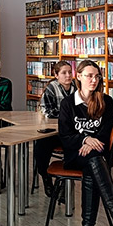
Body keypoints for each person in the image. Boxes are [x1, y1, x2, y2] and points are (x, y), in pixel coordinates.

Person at [58, 59, 113, 226]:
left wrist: (91, 143)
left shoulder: (106, 101)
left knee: (92, 167)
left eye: (97, 76)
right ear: (79, 77)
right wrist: (84, 140)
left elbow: (105, 134)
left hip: (97, 154)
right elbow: (65, 135)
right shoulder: (68, 103)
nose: (94, 80)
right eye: (89, 76)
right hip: (76, 154)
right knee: (94, 161)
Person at [35, 60, 76, 197]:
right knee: (41, 146)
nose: (68, 75)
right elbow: (48, 112)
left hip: (71, 131)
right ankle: (46, 178)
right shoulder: (51, 88)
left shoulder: (77, 88)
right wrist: (69, 115)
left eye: (70, 72)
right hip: (54, 131)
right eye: (64, 73)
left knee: (74, 146)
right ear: (56, 75)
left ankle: (65, 182)